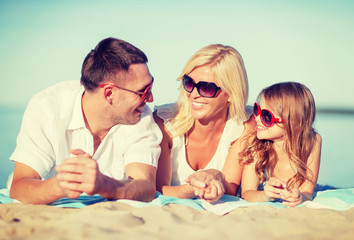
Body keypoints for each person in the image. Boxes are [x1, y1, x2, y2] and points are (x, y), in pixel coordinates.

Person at [9, 37, 162, 204]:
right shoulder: (48, 108)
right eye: (144, 91)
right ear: (109, 93)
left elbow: (146, 187)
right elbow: (19, 187)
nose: (151, 98)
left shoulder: (139, 115)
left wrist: (103, 184)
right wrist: (61, 185)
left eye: (151, 86)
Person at [154, 44, 253, 201]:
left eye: (206, 88)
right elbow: (157, 190)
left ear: (231, 94)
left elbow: (229, 191)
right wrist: (193, 188)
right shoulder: (164, 122)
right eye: (189, 83)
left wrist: (215, 175)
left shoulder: (244, 126)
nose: (193, 94)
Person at [239, 82, 322, 207]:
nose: (257, 119)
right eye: (257, 110)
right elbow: (246, 193)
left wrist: (300, 197)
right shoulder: (256, 145)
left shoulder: (312, 141)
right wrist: (265, 195)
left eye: (266, 116)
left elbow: (307, 192)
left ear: (292, 122)